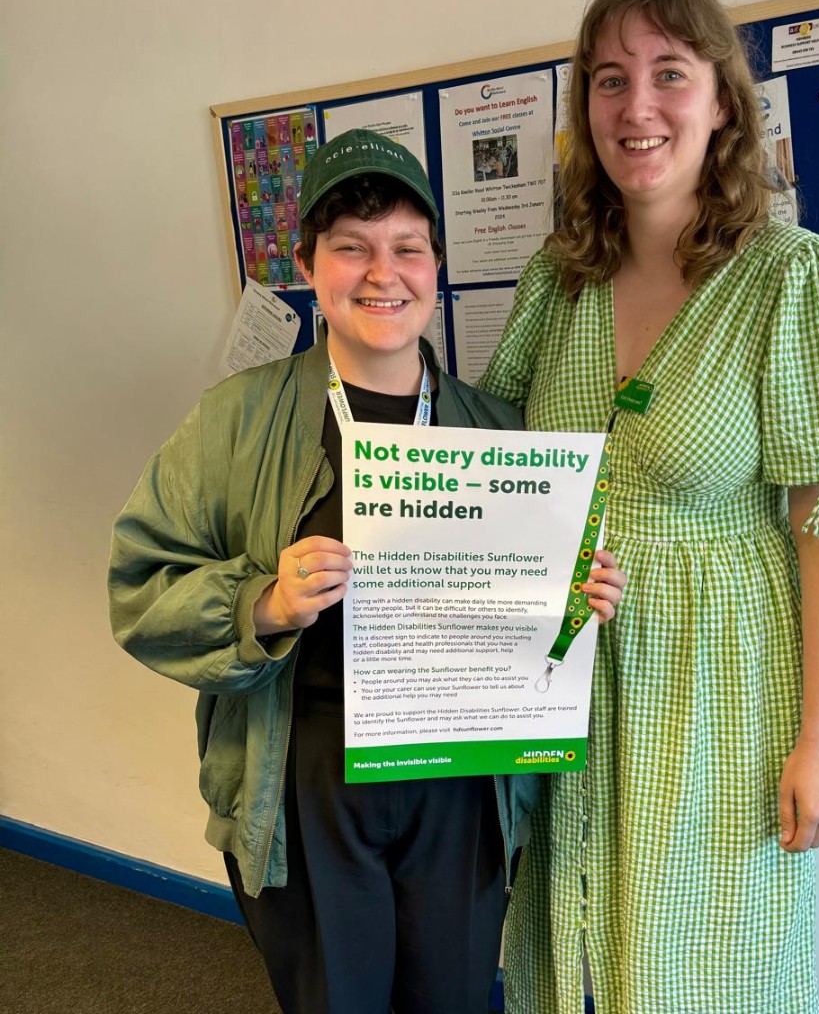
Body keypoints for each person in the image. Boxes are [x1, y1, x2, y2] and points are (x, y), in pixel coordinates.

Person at [108, 128, 625, 1014]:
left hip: (462, 780)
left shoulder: (498, 431)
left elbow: (529, 640)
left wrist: (576, 606)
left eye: (406, 249)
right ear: (309, 265)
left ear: (436, 268)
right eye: (352, 248)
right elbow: (140, 587)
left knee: (452, 998)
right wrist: (263, 603)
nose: (383, 274)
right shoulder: (237, 420)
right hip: (307, 773)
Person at [479, 0, 819, 1014]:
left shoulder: (797, 283)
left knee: (703, 966)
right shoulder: (557, 282)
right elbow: (493, 468)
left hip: (717, 685)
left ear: (722, 102)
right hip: (570, 669)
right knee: (566, 941)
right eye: (609, 80)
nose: (638, 107)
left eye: (669, 73)